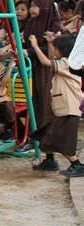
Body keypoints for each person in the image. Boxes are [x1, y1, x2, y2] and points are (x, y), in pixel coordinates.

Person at [28, 33, 84, 177]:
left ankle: (77, 164)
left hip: (69, 109)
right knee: (46, 133)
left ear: (64, 51)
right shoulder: (68, 62)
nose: (54, 52)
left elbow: (47, 62)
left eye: (56, 48)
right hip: (61, 108)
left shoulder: (69, 63)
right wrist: (50, 43)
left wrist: (34, 46)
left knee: (60, 139)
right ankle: (50, 160)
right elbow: (52, 59)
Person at [23, 0, 62, 136]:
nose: (31, 9)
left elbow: (54, 51)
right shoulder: (32, 22)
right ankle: (36, 131)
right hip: (33, 66)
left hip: (46, 68)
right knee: (35, 99)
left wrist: (30, 50)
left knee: (45, 99)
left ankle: (47, 134)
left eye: (35, 6)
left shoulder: (54, 25)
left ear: (44, 7)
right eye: (31, 5)